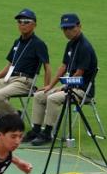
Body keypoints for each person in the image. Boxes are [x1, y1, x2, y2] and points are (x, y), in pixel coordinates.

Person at [28, 13, 98, 146]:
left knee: (52, 98)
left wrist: (63, 87)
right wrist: (50, 86)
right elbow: (63, 66)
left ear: (79, 26)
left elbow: (79, 73)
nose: (67, 31)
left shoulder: (85, 47)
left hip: (82, 90)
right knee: (39, 95)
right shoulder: (70, 45)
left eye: (70, 28)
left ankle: (48, 133)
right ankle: (36, 129)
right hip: (69, 87)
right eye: (64, 28)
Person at [0, 9, 51, 123]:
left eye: (26, 21)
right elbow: (9, 65)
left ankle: (15, 118)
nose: (22, 24)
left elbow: (47, 67)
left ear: (34, 25)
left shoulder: (38, 44)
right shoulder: (17, 42)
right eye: (20, 21)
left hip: (24, 82)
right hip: (9, 79)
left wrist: (47, 87)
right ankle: (2, 118)